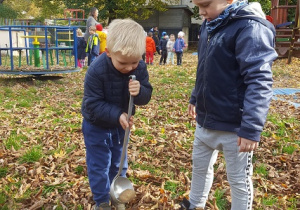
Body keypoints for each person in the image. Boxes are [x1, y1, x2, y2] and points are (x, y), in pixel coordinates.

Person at [184, 0, 278, 210]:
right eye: (197, 6)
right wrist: (195, 97)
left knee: (238, 180)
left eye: (205, 5)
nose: (201, 12)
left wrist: (251, 127)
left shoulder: (250, 27)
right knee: (199, 169)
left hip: (235, 128)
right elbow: (206, 67)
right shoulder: (210, 22)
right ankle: (195, 204)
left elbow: (259, 80)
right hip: (206, 120)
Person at [81, 18, 153, 210]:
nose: (130, 68)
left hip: (121, 127)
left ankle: (116, 192)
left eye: (135, 62)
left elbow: (145, 96)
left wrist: (141, 92)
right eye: (123, 63)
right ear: (108, 52)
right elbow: (92, 103)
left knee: (119, 162)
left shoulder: (139, 67)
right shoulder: (96, 70)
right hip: (96, 125)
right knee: (99, 164)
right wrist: (117, 114)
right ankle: (102, 200)